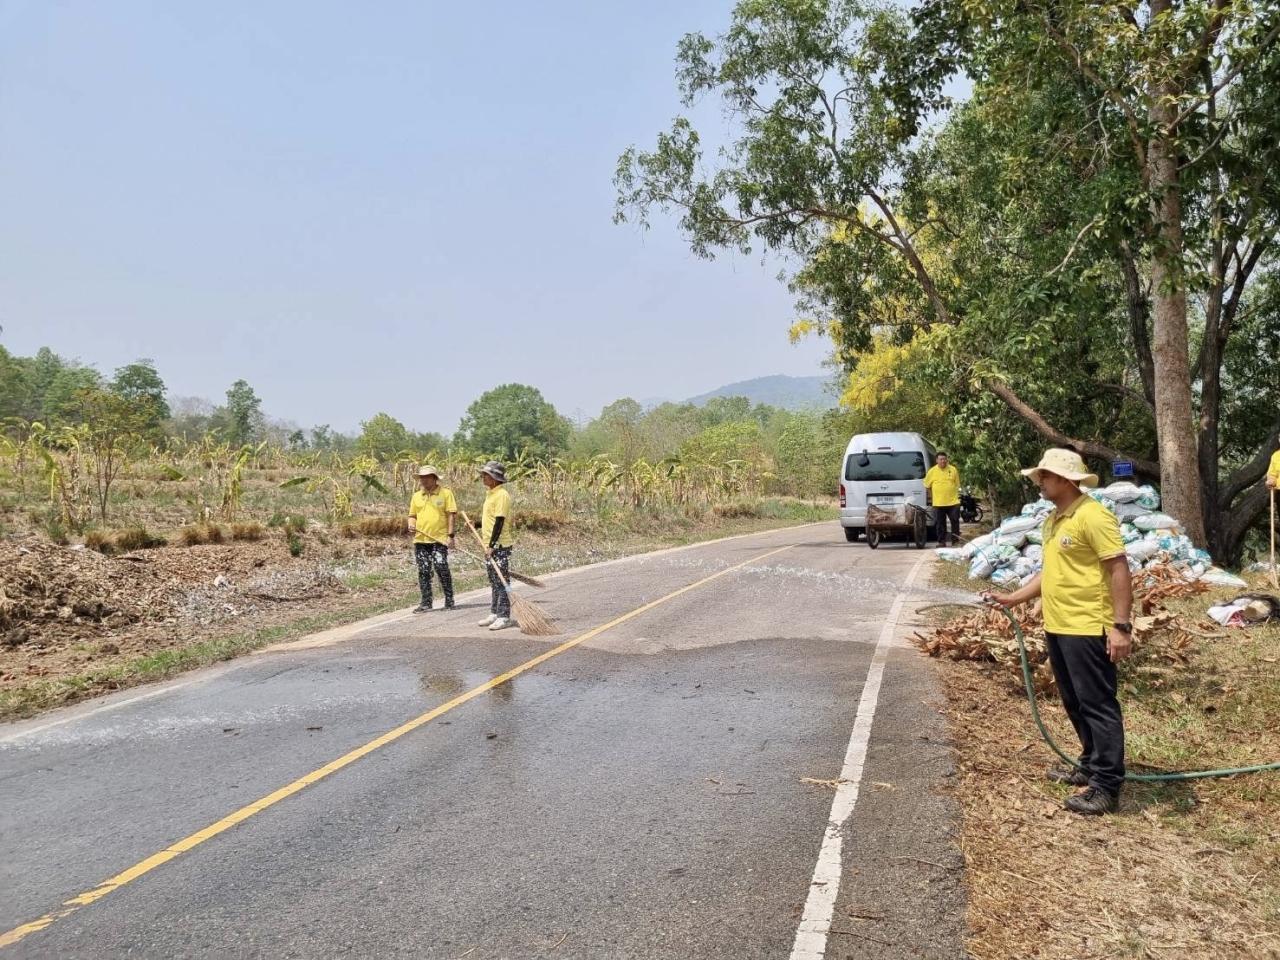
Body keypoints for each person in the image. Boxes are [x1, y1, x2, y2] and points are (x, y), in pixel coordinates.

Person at [987, 448, 1134, 816]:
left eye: (1045, 477)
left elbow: (1119, 570)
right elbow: (1049, 572)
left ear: (1067, 480)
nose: (1040, 482)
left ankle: (1105, 785)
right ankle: (1088, 763)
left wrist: (1120, 627)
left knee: (1098, 704)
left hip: (1088, 626)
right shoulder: (1054, 519)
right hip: (1059, 624)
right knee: (1073, 700)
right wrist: (1012, 598)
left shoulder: (1093, 517)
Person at [407, 465, 457, 613]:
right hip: (421, 539)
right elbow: (412, 515)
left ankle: (449, 600)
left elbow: (451, 515)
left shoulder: (446, 494)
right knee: (423, 570)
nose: (424, 480)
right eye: (422, 477)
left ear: (435, 478)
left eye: (427, 477)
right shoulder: (416, 496)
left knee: (441, 566)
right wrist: (411, 524)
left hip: (440, 539)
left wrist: (451, 536)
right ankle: (426, 602)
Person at [477, 460, 515, 631]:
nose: (483, 477)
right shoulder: (490, 494)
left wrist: (492, 545)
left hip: (500, 545)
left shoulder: (502, 495)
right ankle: (494, 612)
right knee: (493, 580)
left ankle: (504, 615)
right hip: (489, 544)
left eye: (485, 475)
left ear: (494, 478)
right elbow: (490, 519)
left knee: (501, 581)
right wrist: (476, 523)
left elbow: (499, 521)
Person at [924, 451, 961, 547]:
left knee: (955, 522)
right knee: (940, 524)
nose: (943, 461)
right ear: (937, 460)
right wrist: (932, 498)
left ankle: (955, 541)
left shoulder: (953, 470)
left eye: (944, 459)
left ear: (947, 459)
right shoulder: (932, 471)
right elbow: (927, 486)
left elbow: (957, 485)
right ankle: (941, 541)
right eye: (940, 459)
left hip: (953, 502)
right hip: (938, 503)